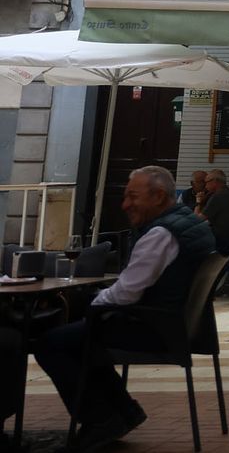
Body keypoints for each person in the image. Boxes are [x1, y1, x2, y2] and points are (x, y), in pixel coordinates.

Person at [35, 166, 216, 450]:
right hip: (174, 323)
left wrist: (91, 303)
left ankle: (101, 418)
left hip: (153, 327)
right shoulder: (188, 222)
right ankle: (123, 411)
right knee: (80, 336)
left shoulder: (161, 233)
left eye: (133, 196)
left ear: (158, 197)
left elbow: (128, 291)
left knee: (51, 342)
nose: (125, 204)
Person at [198, 169, 229, 256]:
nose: (205, 185)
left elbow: (197, 219)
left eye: (206, 182)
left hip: (221, 241)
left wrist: (198, 202)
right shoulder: (228, 193)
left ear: (215, 181)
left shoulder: (218, 196)